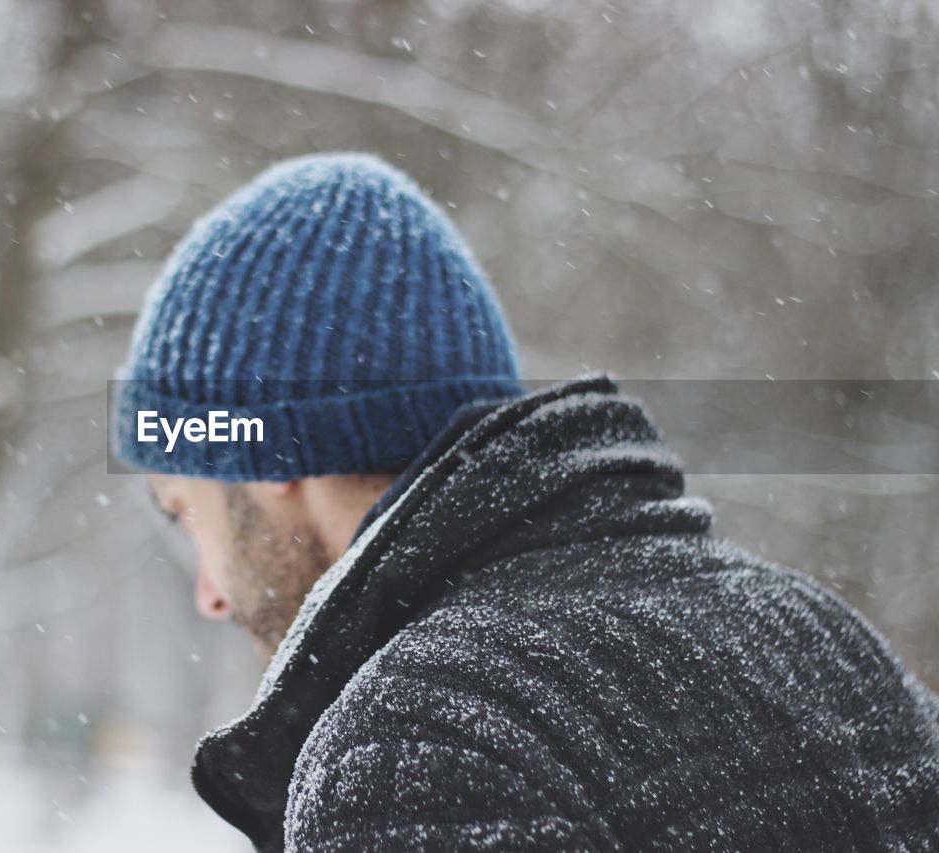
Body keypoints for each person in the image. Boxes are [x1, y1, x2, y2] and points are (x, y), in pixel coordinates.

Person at [111, 151, 939, 851]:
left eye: (185, 510)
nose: (209, 591)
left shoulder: (417, 748)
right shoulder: (820, 636)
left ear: (268, 451)